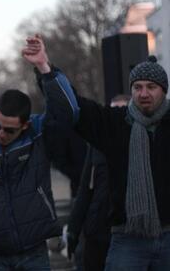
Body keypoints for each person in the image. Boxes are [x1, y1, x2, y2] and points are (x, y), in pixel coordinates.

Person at [29, 36, 170, 269]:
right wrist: (44, 67)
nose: (144, 93)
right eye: (137, 87)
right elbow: (73, 106)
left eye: (151, 87)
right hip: (128, 238)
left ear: (164, 90)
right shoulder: (114, 124)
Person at [0, 36, 79, 271]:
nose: (1, 133)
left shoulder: (37, 134)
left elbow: (69, 112)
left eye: (9, 130)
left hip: (33, 251)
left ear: (25, 125)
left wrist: (44, 68)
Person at [66, 95, 130, 271]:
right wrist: (73, 228)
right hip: (97, 231)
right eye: (112, 111)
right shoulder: (96, 146)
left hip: (126, 232)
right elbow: (85, 189)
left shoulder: (140, 144)